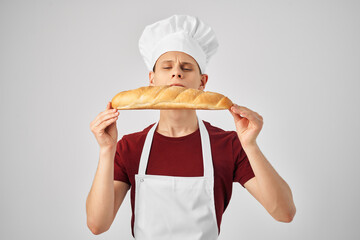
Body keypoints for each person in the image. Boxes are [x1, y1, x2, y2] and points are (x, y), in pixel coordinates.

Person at [86, 14, 296, 239]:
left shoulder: (229, 144)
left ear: (202, 82)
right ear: (152, 79)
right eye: (167, 67)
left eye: (186, 68)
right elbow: (98, 225)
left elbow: (284, 212)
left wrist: (251, 145)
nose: (176, 72)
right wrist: (106, 149)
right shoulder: (129, 146)